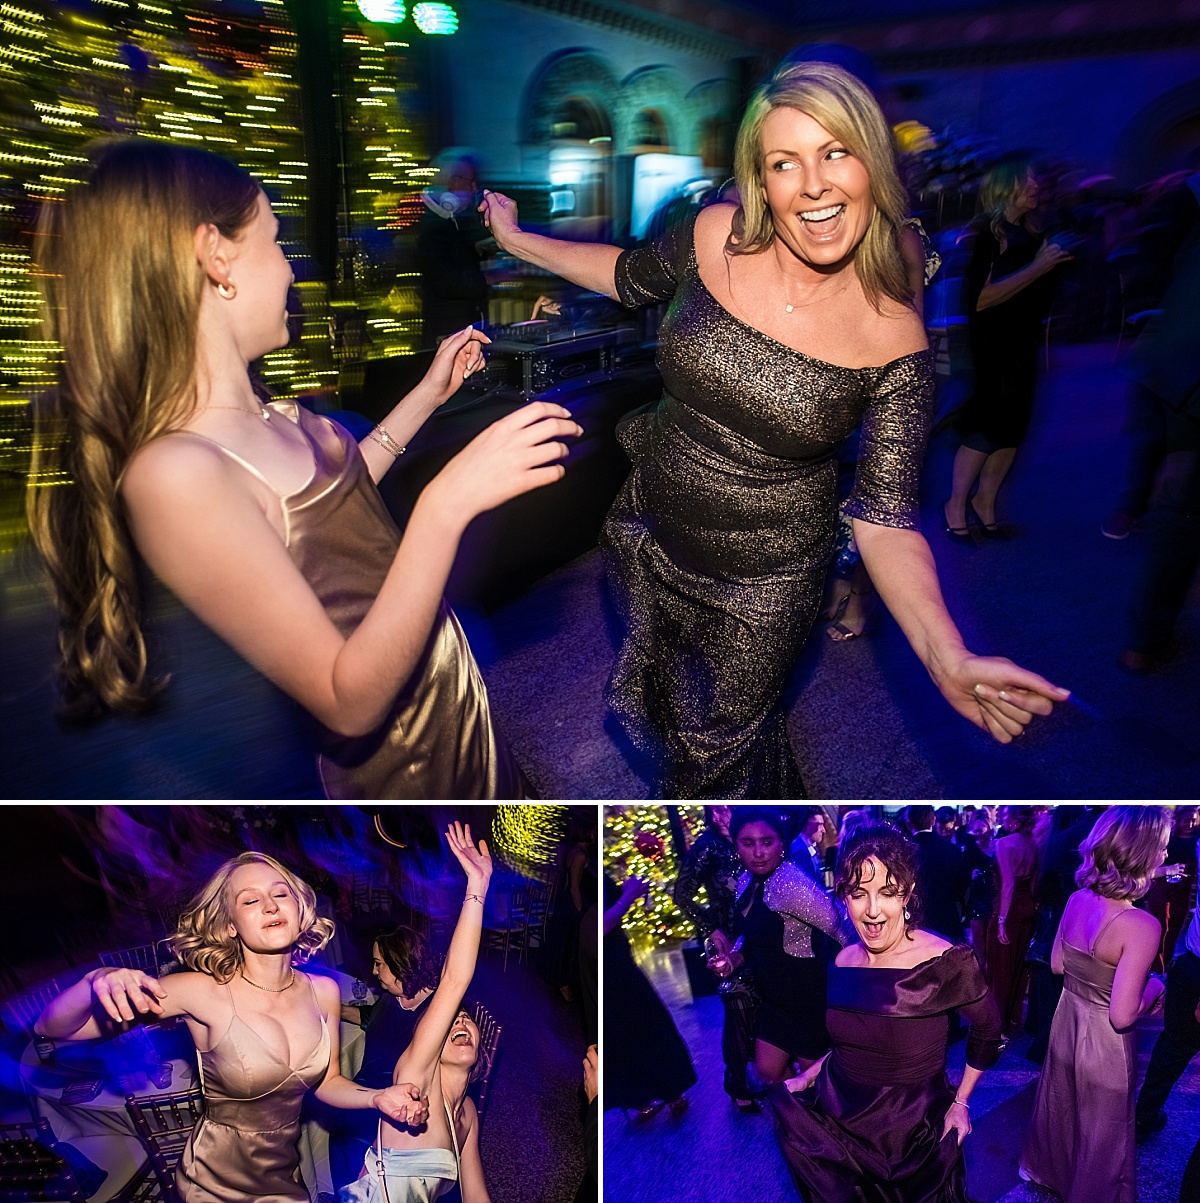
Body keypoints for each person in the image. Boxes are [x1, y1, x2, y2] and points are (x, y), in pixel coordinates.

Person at [480, 61, 1070, 798]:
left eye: (835, 153)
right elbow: (627, 273)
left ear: (872, 164)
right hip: (649, 534)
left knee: (711, 760)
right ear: (761, 180)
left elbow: (885, 519)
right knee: (674, 719)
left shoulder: (893, 339)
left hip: (765, 587)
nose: (813, 184)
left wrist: (945, 653)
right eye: (785, 162)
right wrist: (519, 240)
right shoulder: (713, 234)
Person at [26, 139, 580, 799]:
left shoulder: (263, 411)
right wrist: (444, 504)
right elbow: (345, 699)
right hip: (404, 766)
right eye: (274, 239)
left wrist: (432, 391)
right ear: (217, 257)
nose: (292, 270)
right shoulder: (174, 473)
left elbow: (332, 510)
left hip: (450, 702)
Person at [34, 852, 429, 1202]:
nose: (271, 906)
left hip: (284, 1177)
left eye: (280, 893)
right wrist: (93, 982)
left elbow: (327, 1082)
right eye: (251, 900)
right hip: (214, 1184)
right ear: (230, 927)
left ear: (300, 908)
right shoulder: (202, 993)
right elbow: (54, 1028)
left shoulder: (323, 991)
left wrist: (377, 1097)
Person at [770, 823, 1003, 1203]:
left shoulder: (947, 962)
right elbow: (852, 1042)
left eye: (888, 892)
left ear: (908, 894)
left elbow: (989, 1029)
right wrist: (809, 1077)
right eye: (859, 893)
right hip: (840, 1122)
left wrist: (961, 1101)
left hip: (911, 1133)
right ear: (843, 896)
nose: (873, 910)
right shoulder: (843, 959)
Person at [1019, 806, 1172, 1203]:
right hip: (1104, 1042)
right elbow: (1123, 1015)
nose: (1166, 858)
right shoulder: (1141, 925)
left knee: (1064, 1112)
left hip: (1067, 1022)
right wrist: (1155, 987)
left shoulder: (1077, 899)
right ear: (1142, 854)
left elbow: (1056, 964)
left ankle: (1054, 1176)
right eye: (1162, 849)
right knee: (1103, 1135)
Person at [341, 822, 494, 1203]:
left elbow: (476, 1197)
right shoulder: (414, 1082)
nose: (459, 1020)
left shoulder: (468, 1114)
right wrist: (476, 889)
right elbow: (454, 981)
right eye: (451, 1019)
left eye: (466, 1019)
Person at [943, 156, 1072, 540]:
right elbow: (979, 300)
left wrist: (1055, 267)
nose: (1036, 185)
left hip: (1023, 343)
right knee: (987, 427)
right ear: (1007, 186)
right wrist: (1040, 267)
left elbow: (1037, 288)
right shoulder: (985, 234)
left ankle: (986, 501)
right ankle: (955, 504)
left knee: (1014, 428)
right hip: (992, 346)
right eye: (1028, 180)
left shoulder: (1032, 232)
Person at [710, 808, 849, 1086]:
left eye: (767, 842)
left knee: (818, 1082)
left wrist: (861, 979)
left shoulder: (791, 882)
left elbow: (840, 926)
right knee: (769, 1070)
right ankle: (799, 1115)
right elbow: (751, 935)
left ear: (781, 844)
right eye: (748, 843)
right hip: (775, 999)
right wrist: (734, 959)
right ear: (736, 845)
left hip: (808, 998)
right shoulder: (747, 880)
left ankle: (820, 1124)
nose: (758, 852)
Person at [329, 926, 442, 1191]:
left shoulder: (433, 1013)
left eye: (379, 964)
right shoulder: (393, 998)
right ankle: (347, 1193)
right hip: (369, 1089)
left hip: (396, 1104)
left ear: (398, 963)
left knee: (343, 1131)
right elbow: (369, 1018)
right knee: (337, 1118)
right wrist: (331, 1008)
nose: (374, 971)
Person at [673, 805, 760, 1110]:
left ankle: (762, 1067)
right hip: (728, 941)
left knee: (760, 1006)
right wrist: (711, 927)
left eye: (730, 806)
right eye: (717, 808)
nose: (724, 812)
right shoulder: (707, 847)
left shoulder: (751, 836)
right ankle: (736, 1083)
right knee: (737, 1010)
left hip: (761, 936)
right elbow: (681, 894)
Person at [604, 874, 697, 1118]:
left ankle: (648, 1095)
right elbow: (600, 925)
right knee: (644, 1023)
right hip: (609, 966)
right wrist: (628, 896)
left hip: (611, 960)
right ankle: (662, 1091)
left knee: (627, 1028)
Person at [1134, 882, 1200, 1142]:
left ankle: (1143, 1117)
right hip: (1193, 968)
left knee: (1172, 1048)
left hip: (1191, 966)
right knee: (1173, 1048)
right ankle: (1143, 1117)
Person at [416, 149, 490, 345]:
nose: (474, 188)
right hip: (445, 335)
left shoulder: (445, 220)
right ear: (451, 181)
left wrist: (476, 250)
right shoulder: (431, 225)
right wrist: (489, 278)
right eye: (470, 181)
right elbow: (447, 283)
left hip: (452, 334)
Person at [907, 804, 968, 942]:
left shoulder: (903, 850)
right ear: (933, 820)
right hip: (946, 920)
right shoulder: (953, 850)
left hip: (914, 922)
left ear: (909, 822)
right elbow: (962, 888)